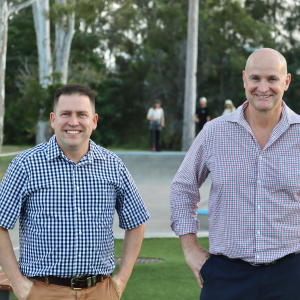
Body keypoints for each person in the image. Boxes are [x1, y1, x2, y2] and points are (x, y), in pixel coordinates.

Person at [170, 48, 300, 300]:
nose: (263, 87)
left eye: (272, 79)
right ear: (244, 79)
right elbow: (183, 187)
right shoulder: (214, 132)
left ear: (286, 81)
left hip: (292, 275)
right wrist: (190, 249)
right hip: (226, 276)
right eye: (255, 78)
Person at [0, 84, 150, 300]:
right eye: (65, 114)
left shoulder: (113, 165)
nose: (73, 122)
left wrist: (121, 281)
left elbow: (137, 221)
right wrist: (18, 283)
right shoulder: (25, 165)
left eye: (82, 114)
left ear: (94, 121)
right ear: (53, 119)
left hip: (101, 291)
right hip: (43, 291)